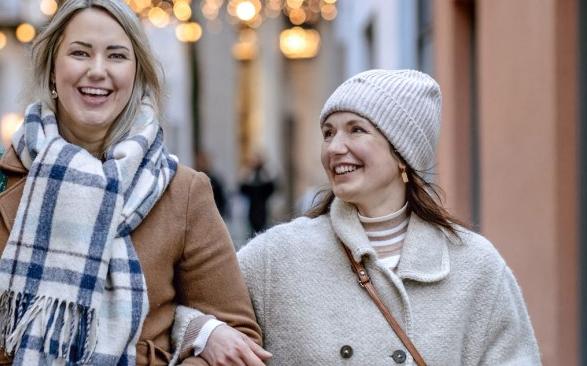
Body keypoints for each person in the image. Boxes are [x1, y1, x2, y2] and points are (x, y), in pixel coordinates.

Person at [0, 0, 262, 365]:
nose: (97, 70)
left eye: (116, 55)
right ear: (52, 67)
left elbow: (239, 336)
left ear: (136, 73)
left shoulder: (183, 191)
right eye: (80, 52)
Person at [173, 70, 541, 365]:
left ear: (402, 154)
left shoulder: (475, 267)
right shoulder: (277, 257)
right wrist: (206, 332)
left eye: (356, 130)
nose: (334, 148)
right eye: (328, 132)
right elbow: (174, 310)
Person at [238, 153, 276, 235]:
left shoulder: (265, 173)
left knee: (263, 227)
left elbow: (272, 188)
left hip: (263, 206)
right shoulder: (249, 173)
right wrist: (244, 178)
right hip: (251, 206)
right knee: (251, 228)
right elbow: (242, 189)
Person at [195, 151, 229, 218]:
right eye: (201, 161)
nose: (203, 164)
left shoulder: (215, 180)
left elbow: (221, 199)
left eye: (205, 161)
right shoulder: (193, 178)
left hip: (213, 214)